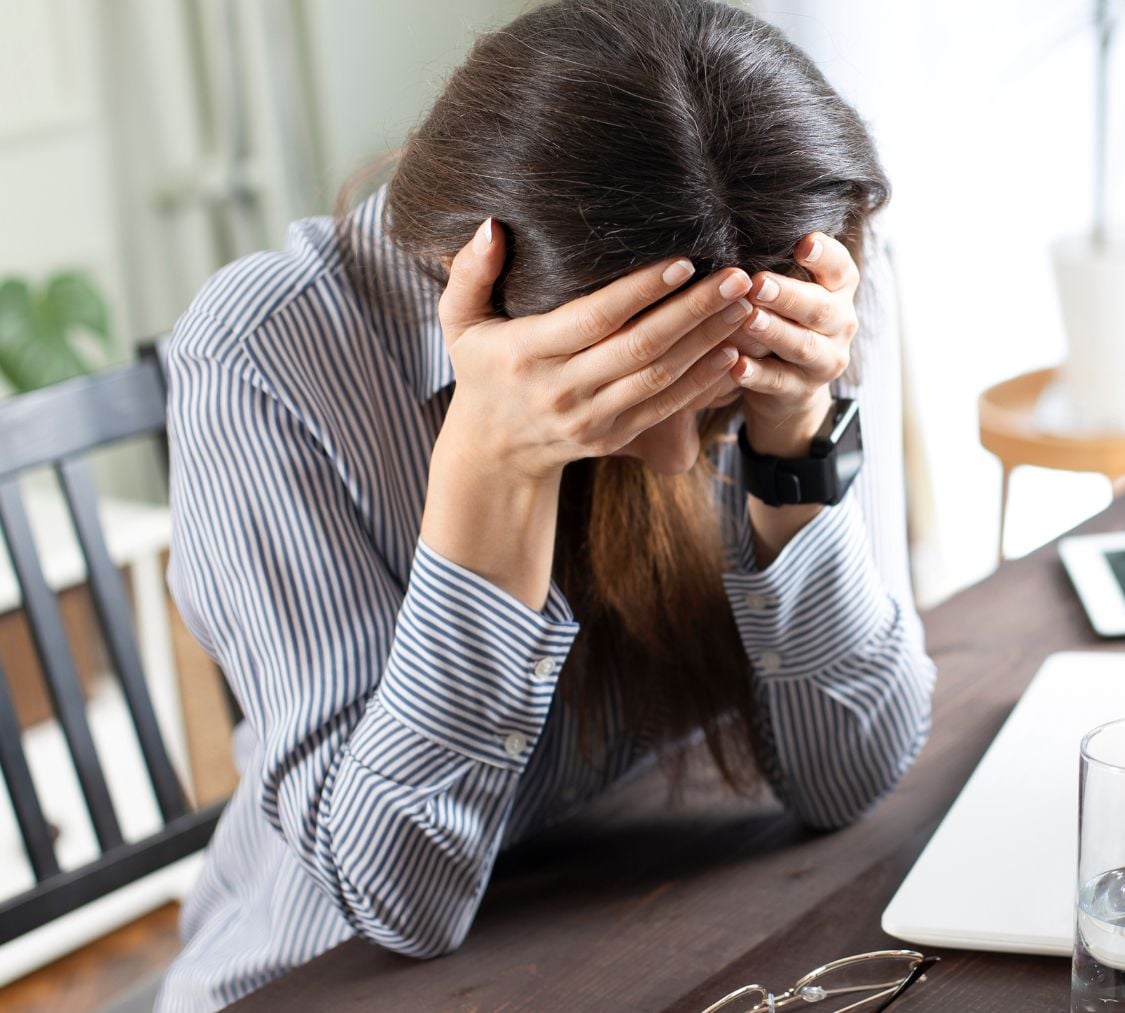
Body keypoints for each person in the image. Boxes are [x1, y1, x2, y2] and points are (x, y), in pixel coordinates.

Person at [156, 1, 934, 1008]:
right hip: (325, 976)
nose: (668, 460)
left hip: (631, 914)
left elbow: (849, 774)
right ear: (465, 272)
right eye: (623, 401)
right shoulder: (265, 357)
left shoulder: (806, 268)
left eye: (715, 410)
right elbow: (397, 894)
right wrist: (493, 463)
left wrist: (791, 431)